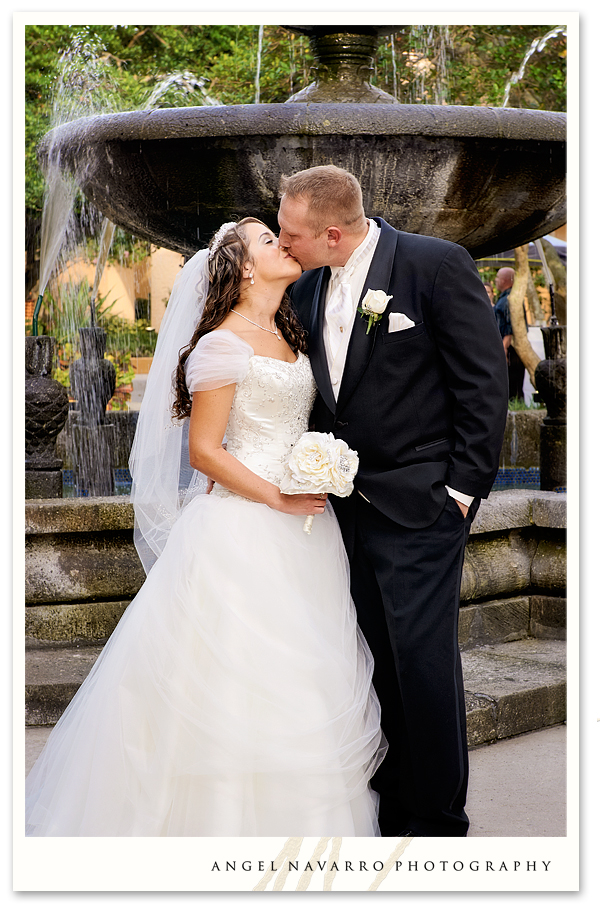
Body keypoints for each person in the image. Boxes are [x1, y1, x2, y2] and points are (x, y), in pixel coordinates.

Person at [25, 218, 385, 837]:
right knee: (237, 686)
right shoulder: (220, 343)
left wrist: (316, 471)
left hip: (304, 534)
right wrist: (280, 494)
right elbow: (206, 452)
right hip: (243, 534)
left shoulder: (287, 330)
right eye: (268, 240)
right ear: (244, 268)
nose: (283, 244)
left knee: (301, 683)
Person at [277, 165, 508, 837]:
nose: (284, 243)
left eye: (292, 233)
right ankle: (391, 801)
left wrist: (461, 493)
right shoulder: (310, 285)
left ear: (330, 231)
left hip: (422, 507)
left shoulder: (435, 266)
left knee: (423, 664)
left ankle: (437, 818)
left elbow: (482, 386)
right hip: (342, 513)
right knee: (369, 657)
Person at [493, 266, 526, 401]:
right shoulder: (506, 297)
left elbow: (510, 328)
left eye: (498, 278)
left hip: (511, 350)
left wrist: (504, 349)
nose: (495, 280)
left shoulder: (510, 299)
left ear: (505, 280)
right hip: (507, 348)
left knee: (513, 387)